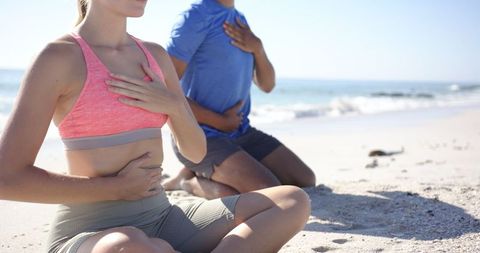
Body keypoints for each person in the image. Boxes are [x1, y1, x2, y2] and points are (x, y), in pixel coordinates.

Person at [0, 0, 311, 252]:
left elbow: (195, 150)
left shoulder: (155, 56)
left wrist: (174, 106)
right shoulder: (58, 58)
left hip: (164, 218)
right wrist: (115, 188)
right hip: (93, 232)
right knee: (128, 245)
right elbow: (6, 179)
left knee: (292, 201)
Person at [162, 0, 316, 199]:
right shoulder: (195, 17)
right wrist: (219, 121)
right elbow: (165, 89)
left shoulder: (238, 19)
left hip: (241, 132)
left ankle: (197, 170)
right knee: (269, 191)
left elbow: (267, 85)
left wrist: (258, 49)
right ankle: (187, 182)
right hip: (200, 137)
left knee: (304, 179)